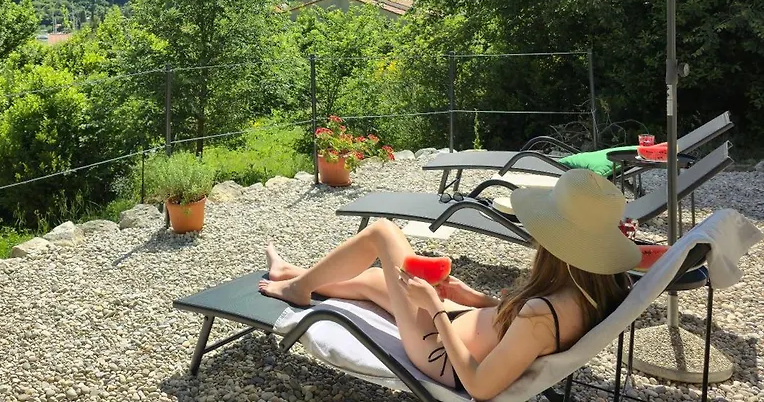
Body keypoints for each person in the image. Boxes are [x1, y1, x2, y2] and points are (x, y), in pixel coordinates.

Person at [258, 169, 640, 400]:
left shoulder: (544, 314)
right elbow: (517, 331)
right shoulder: (594, 290)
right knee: (375, 280)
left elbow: (478, 387)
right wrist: (473, 298)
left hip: (441, 355)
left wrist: (434, 307)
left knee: (383, 232)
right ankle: (295, 275)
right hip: (462, 327)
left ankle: (298, 290)